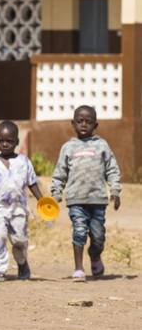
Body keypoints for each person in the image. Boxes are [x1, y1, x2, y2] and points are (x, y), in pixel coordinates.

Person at [50, 105, 121, 281]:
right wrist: (56, 192)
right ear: (73, 123)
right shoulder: (68, 147)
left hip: (98, 200)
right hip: (76, 200)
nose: (83, 124)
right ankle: (79, 268)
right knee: (79, 231)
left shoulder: (102, 145)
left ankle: (95, 255)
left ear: (95, 125)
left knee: (98, 237)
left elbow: (112, 169)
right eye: (80, 121)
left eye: (88, 122)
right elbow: (60, 172)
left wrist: (115, 190)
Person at [0, 121, 42, 282]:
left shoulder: (24, 161)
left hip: (19, 209)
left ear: (17, 142)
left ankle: (22, 263)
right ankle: (0, 269)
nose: (4, 144)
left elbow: (32, 183)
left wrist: (42, 200)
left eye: (9, 141)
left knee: (20, 239)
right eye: (1, 141)